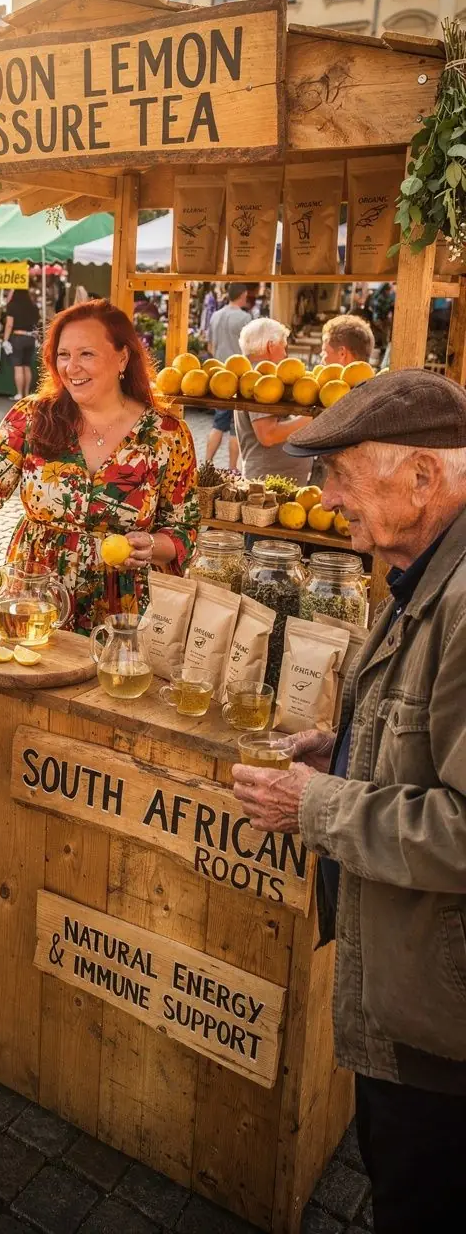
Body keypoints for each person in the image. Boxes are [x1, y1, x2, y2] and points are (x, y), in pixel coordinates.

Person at [231, 370, 466, 1233]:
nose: (323, 497)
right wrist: (352, 749)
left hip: (445, 1031)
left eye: (342, 474)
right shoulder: (427, 568)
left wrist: (318, 806)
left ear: (423, 478)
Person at [0, 299, 199, 632]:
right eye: (63, 355)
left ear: (122, 357)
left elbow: (184, 528)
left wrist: (153, 547)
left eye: (87, 354)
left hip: (124, 610)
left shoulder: (167, 435)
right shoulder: (31, 417)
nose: (71, 367)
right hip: (34, 601)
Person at [233, 317, 315, 484]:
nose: (285, 354)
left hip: (274, 479)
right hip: (267, 482)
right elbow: (267, 435)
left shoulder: (261, 377)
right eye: (283, 347)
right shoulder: (261, 378)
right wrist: (312, 418)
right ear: (271, 346)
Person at [205, 283, 257, 466]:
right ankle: (232, 469)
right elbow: (251, 350)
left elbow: (209, 346)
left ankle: (206, 463)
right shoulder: (245, 318)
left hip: (219, 376)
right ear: (243, 295)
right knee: (236, 427)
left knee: (218, 423)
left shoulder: (216, 316)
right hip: (240, 378)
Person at [3, 286, 41, 399]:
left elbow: (9, 324)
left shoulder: (12, 306)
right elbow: (37, 324)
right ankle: (26, 393)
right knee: (27, 365)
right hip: (30, 338)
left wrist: (5, 339)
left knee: (18, 366)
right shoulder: (34, 307)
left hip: (18, 337)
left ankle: (19, 393)